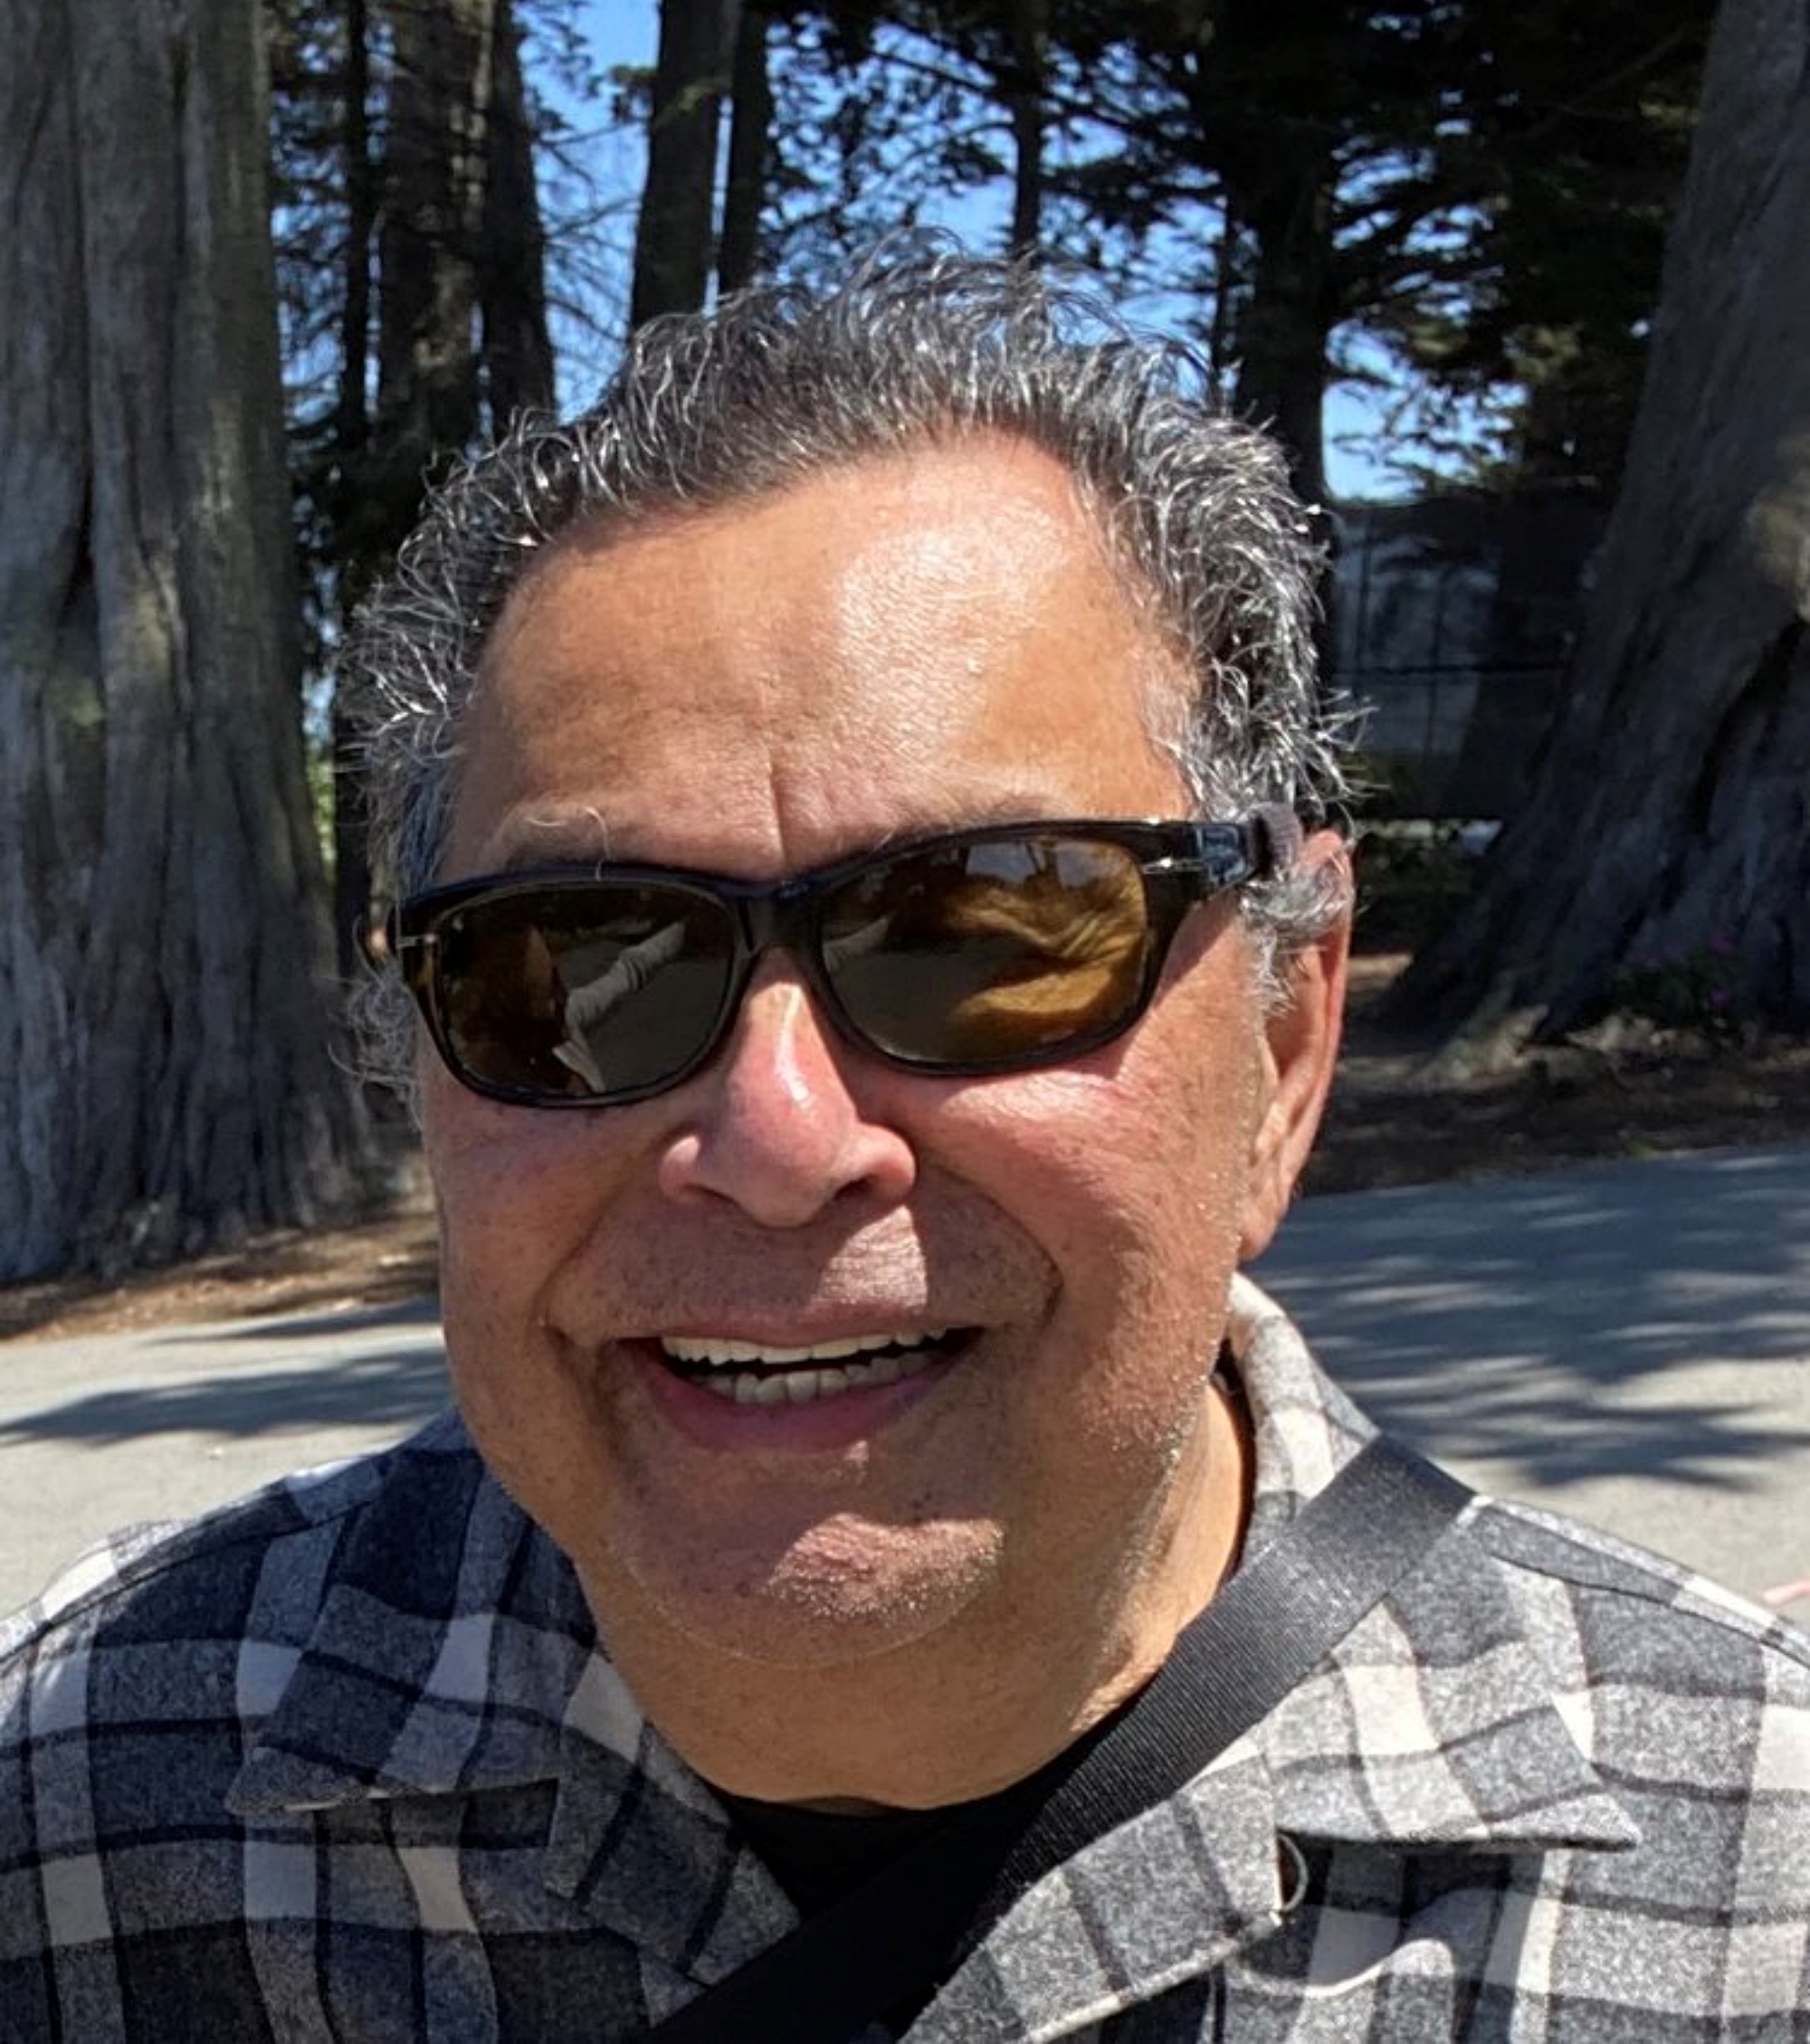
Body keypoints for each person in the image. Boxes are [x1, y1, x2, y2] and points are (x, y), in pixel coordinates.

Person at [3, 250, 1806, 2041]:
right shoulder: (83, 1792)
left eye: (981, 932)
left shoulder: (1754, 1881)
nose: (777, 1139)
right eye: (580, 961)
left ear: (1280, 1040)